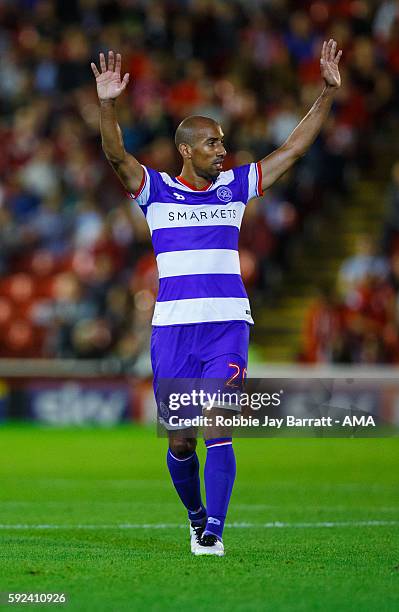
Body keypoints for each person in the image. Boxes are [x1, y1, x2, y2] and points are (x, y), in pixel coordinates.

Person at [91, 40, 342, 556]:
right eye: (211, 144)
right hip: (174, 332)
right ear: (187, 149)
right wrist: (108, 104)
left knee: (217, 424)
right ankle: (196, 516)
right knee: (181, 440)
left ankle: (215, 532)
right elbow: (116, 154)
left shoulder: (234, 187)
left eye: (222, 142)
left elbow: (292, 151)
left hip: (226, 326)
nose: (221, 150)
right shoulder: (155, 190)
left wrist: (325, 93)